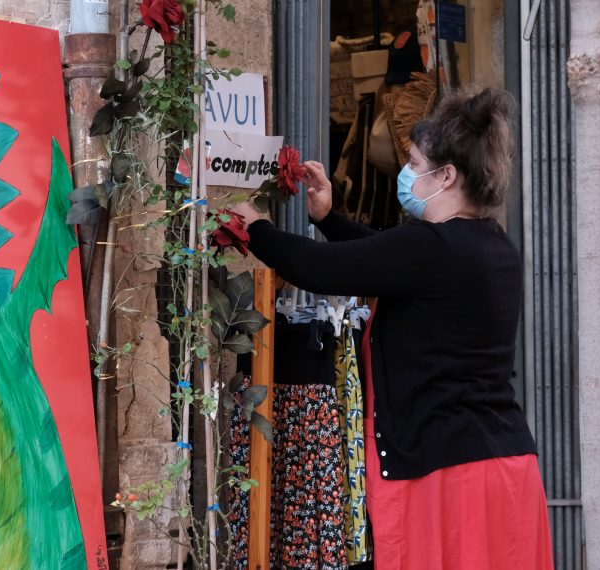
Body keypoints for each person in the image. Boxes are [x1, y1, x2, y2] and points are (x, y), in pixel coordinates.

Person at [231, 88, 554, 569]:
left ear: (446, 176)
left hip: (447, 474)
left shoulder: (430, 249)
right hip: (503, 466)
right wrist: (330, 219)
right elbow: (389, 261)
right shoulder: (492, 245)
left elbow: (320, 268)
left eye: (415, 163)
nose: (407, 173)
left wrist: (256, 227)